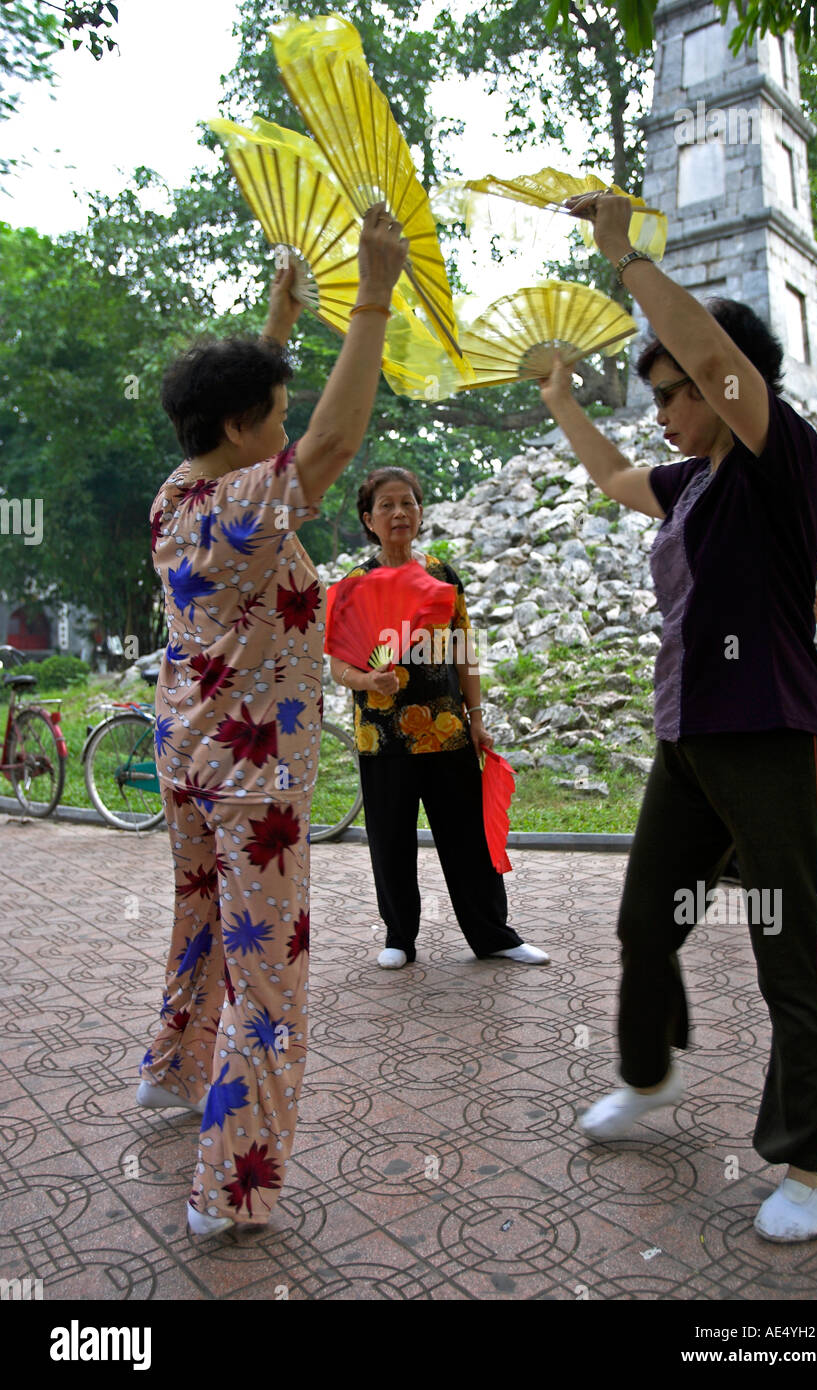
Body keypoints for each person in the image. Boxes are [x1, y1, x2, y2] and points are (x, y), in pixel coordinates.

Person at [538, 188, 817, 1243]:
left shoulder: (777, 460)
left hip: (769, 733)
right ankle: (649, 1072)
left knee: (785, 954)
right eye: (657, 391)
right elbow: (615, 473)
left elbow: (715, 358)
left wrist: (625, 259)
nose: (664, 406)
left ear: (725, 384)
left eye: (676, 388)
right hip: (689, 744)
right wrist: (556, 397)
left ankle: (809, 1163)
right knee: (642, 921)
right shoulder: (695, 481)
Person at [137, 205, 409, 1236]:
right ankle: (231, 1191)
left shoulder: (179, 493)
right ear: (248, 428)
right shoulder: (250, 506)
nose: (287, 424)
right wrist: (373, 291)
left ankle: (170, 1071)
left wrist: (278, 321)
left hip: (188, 756)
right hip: (253, 785)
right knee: (268, 982)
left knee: (200, 924)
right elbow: (332, 439)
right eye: (275, 410)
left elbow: (257, 420)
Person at [328, 466, 550, 969]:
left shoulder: (443, 576)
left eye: (407, 502)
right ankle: (399, 937)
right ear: (368, 518)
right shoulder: (354, 585)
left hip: (448, 733)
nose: (399, 512)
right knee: (390, 840)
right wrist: (368, 682)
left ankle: (494, 935)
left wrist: (476, 716)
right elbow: (340, 665)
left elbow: (465, 654)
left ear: (421, 512)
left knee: (467, 838)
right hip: (381, 738)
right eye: (386, 505)